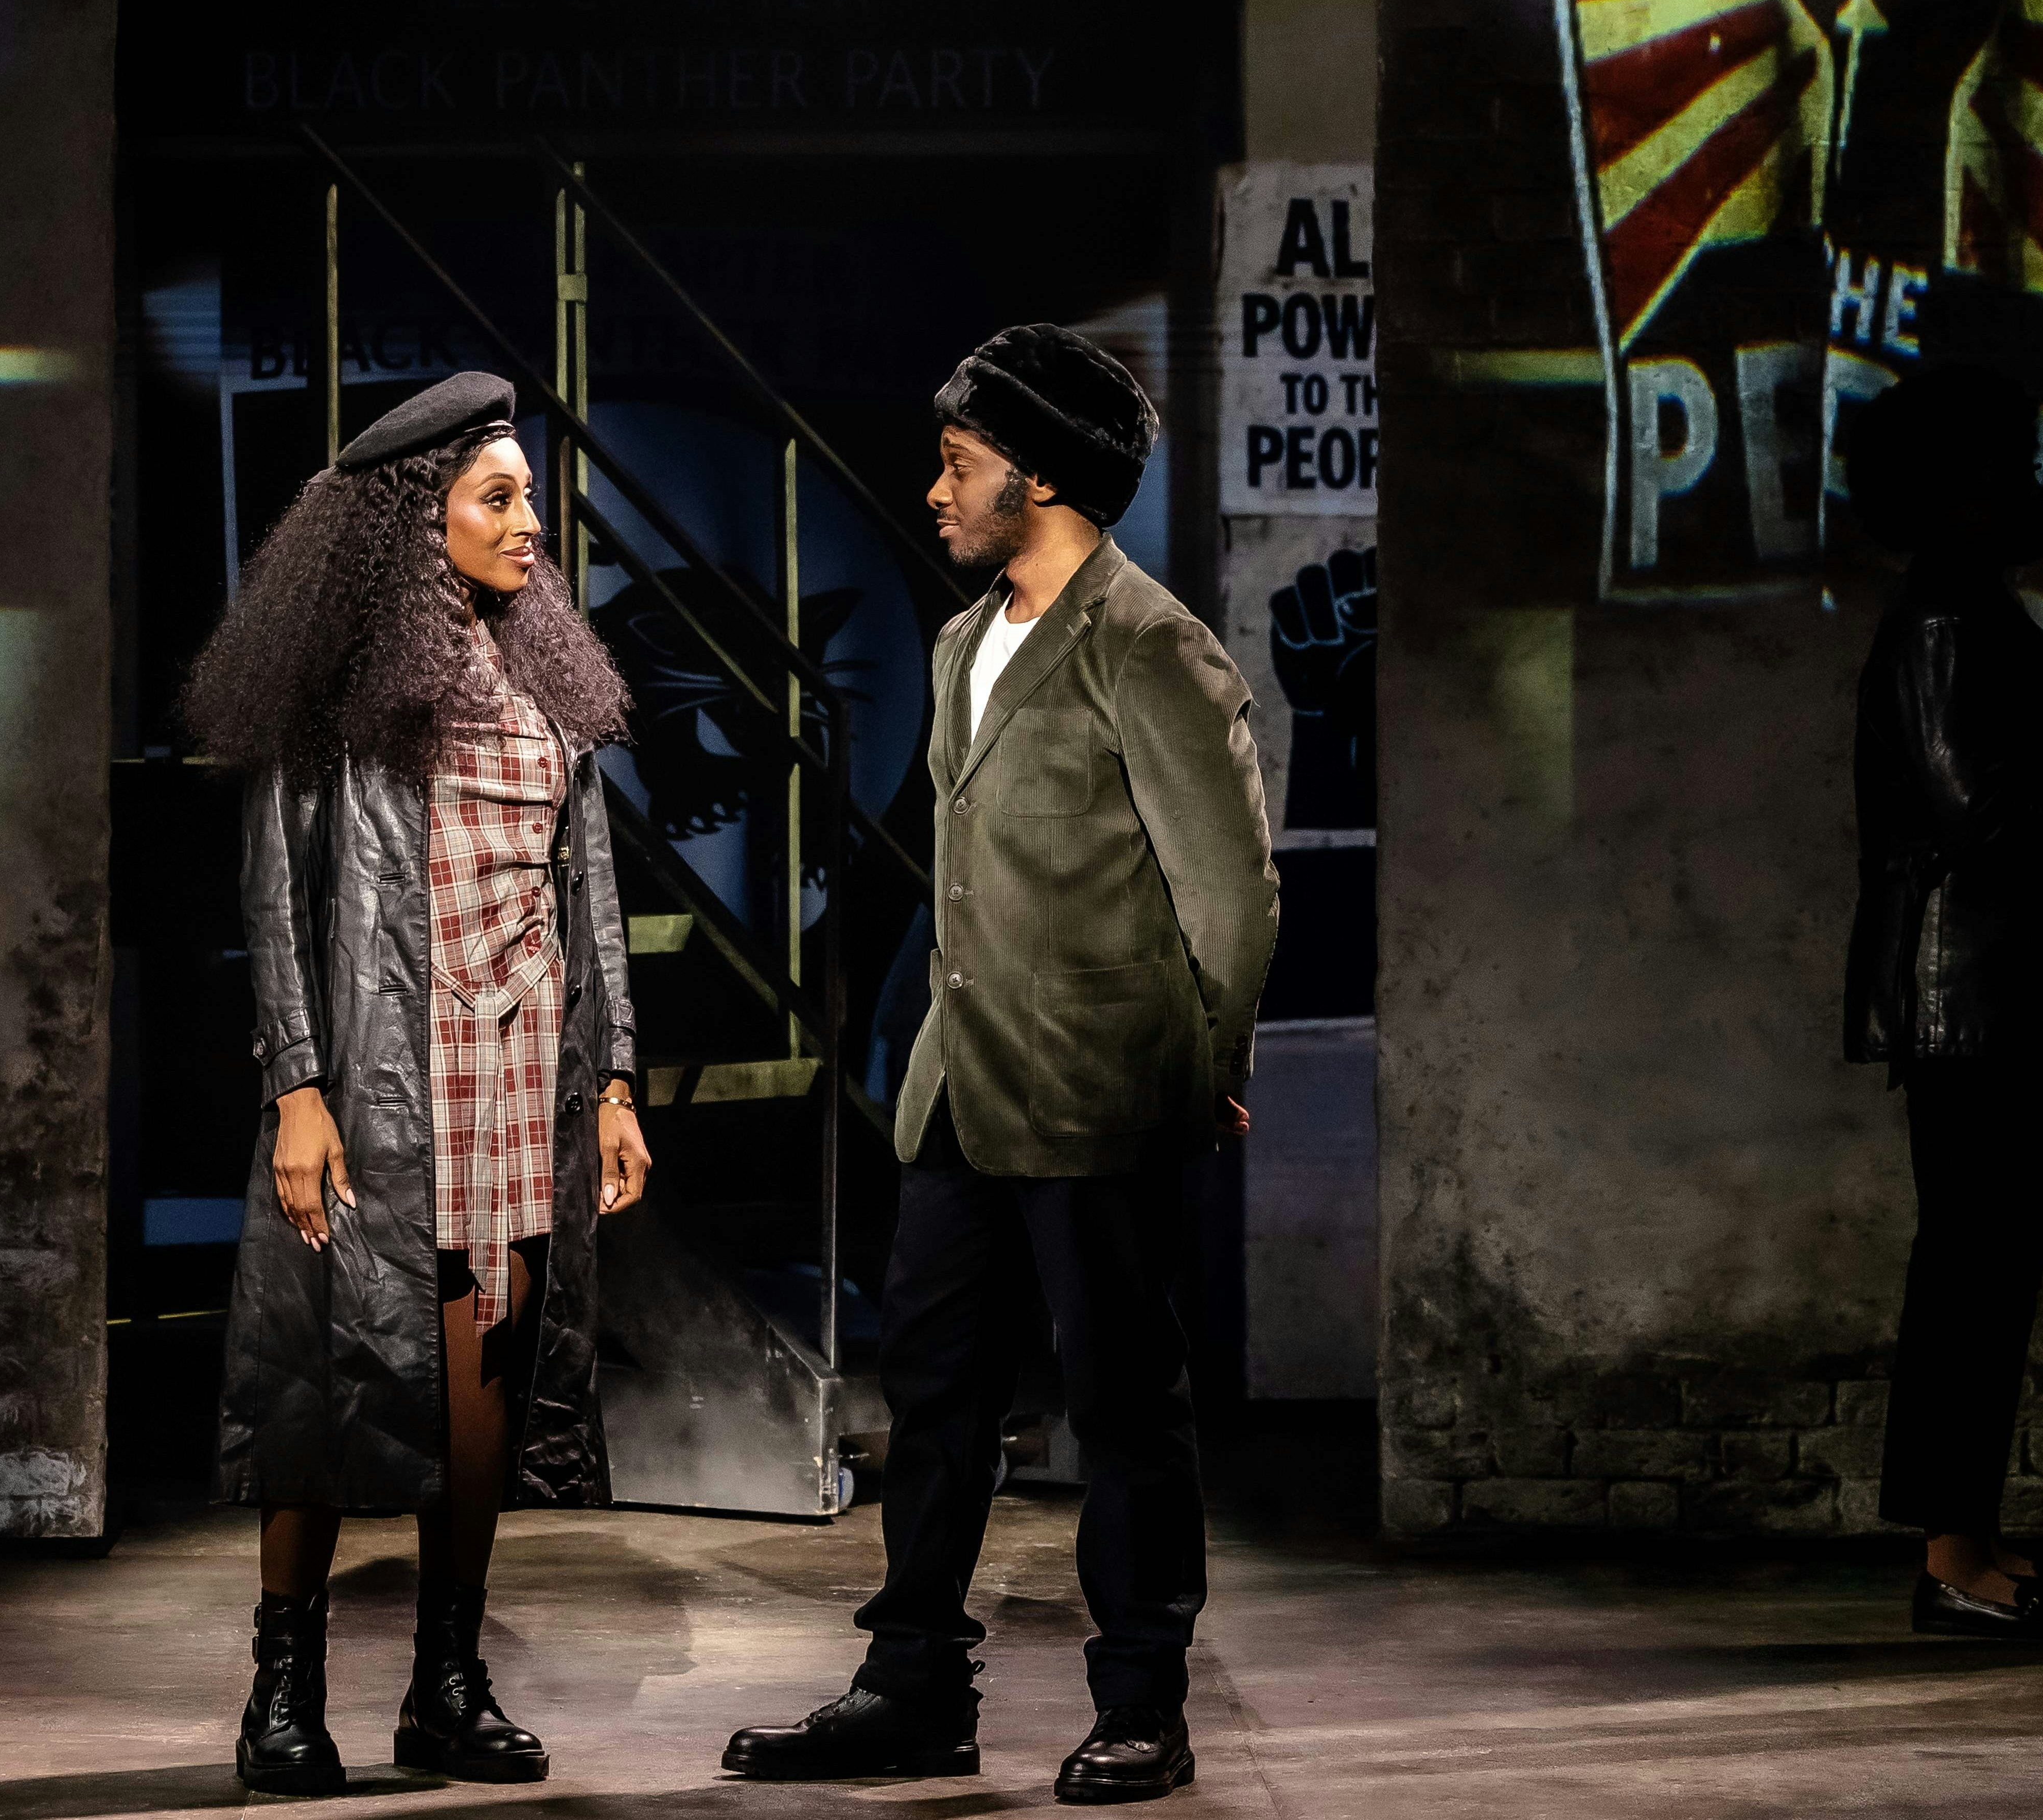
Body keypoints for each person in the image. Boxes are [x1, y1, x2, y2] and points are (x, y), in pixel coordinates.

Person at [725, 325, 1276, 1807]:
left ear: (1037, 479)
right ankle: (913, 1688)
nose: (934, 491)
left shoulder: (1153, 648)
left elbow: (1230, 894)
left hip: (1103, 1098)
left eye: (960, 466)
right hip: (961, 1093)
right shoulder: (968, 644)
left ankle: (1144, 1704)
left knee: (1123, 1404)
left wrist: (1199, 1065)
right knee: (938, 1392)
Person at [183, 371, 652, 1795]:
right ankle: (285, 1688)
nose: (530, 526)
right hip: (391, 1073)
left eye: (528, 498)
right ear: (415, 523)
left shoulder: (545, 673)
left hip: (522, 1077)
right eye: (497, 500)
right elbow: (275, 902)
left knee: (481, 1400)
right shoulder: (334, 699)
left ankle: (446, 1683)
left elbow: (594, 894)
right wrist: (298, 1088)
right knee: (319, 1391)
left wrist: (617, 1077)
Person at [1835, 365, 2043, 1646]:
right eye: (2010, 470)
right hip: (1978, 1004)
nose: (2032, 492)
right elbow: (1982, 811)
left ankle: (1966, 1543)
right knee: (1971, 1276)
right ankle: (1954, 1555)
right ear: (1956, 495)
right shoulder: (1947, 623)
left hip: (1990, 1000)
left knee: (1982, 1272)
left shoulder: (1961, 615)